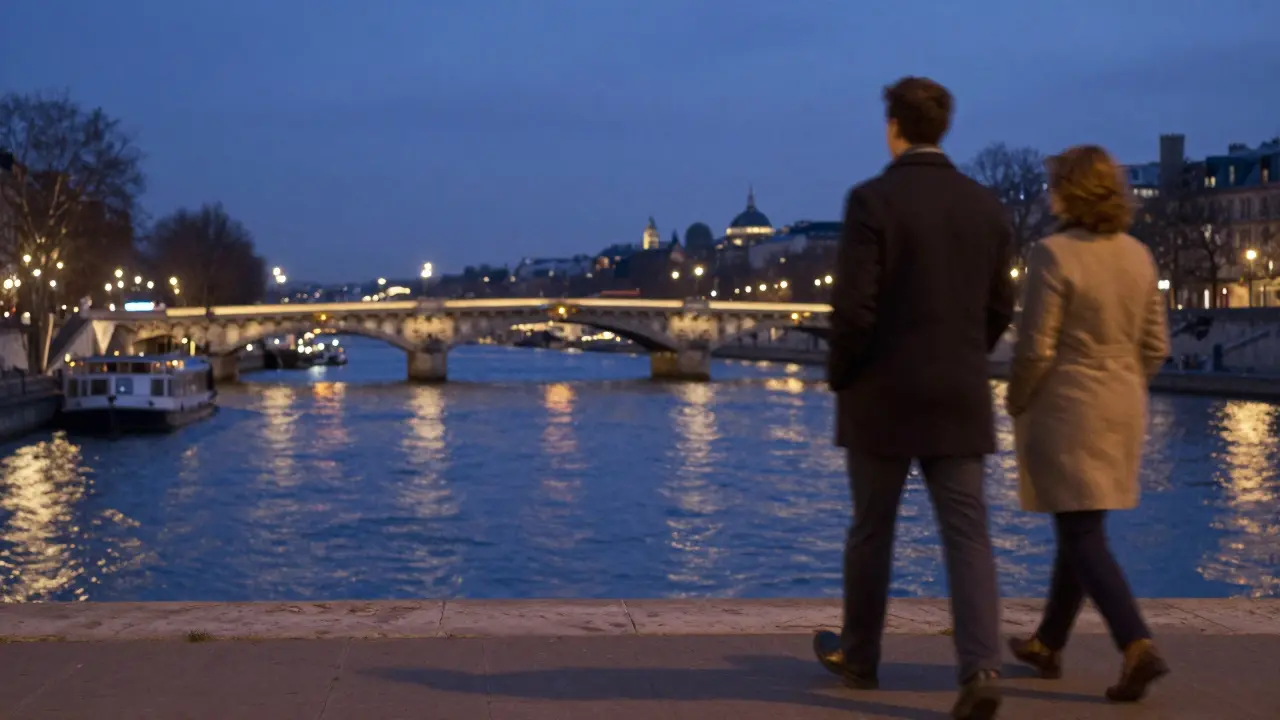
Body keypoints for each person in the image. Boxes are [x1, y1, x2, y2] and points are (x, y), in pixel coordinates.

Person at [813, 76, 1015, 720]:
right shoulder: (987, 206)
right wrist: (964, 355)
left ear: (893, 127)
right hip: (958, 392)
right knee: (968, 535)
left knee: (873, 531)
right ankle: (981, 666)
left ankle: (861, 656)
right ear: (943, 128)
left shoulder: (872, 201)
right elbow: (998, 306)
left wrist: (843, 374)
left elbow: (853, 309)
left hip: (882, 393)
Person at [1005, 145, 1170, 702]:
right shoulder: (1138, 256)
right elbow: (1155, 347)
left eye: (1054, 184)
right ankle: (1048, 643)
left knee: (1080, 531)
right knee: (1080, 527)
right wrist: (1122, 382)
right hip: (1122, 408)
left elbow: (1034, 349)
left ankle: (1136, 644)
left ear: (1068, 191)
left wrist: (1015, 400)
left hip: (1067, 407)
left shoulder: (1052, 254)